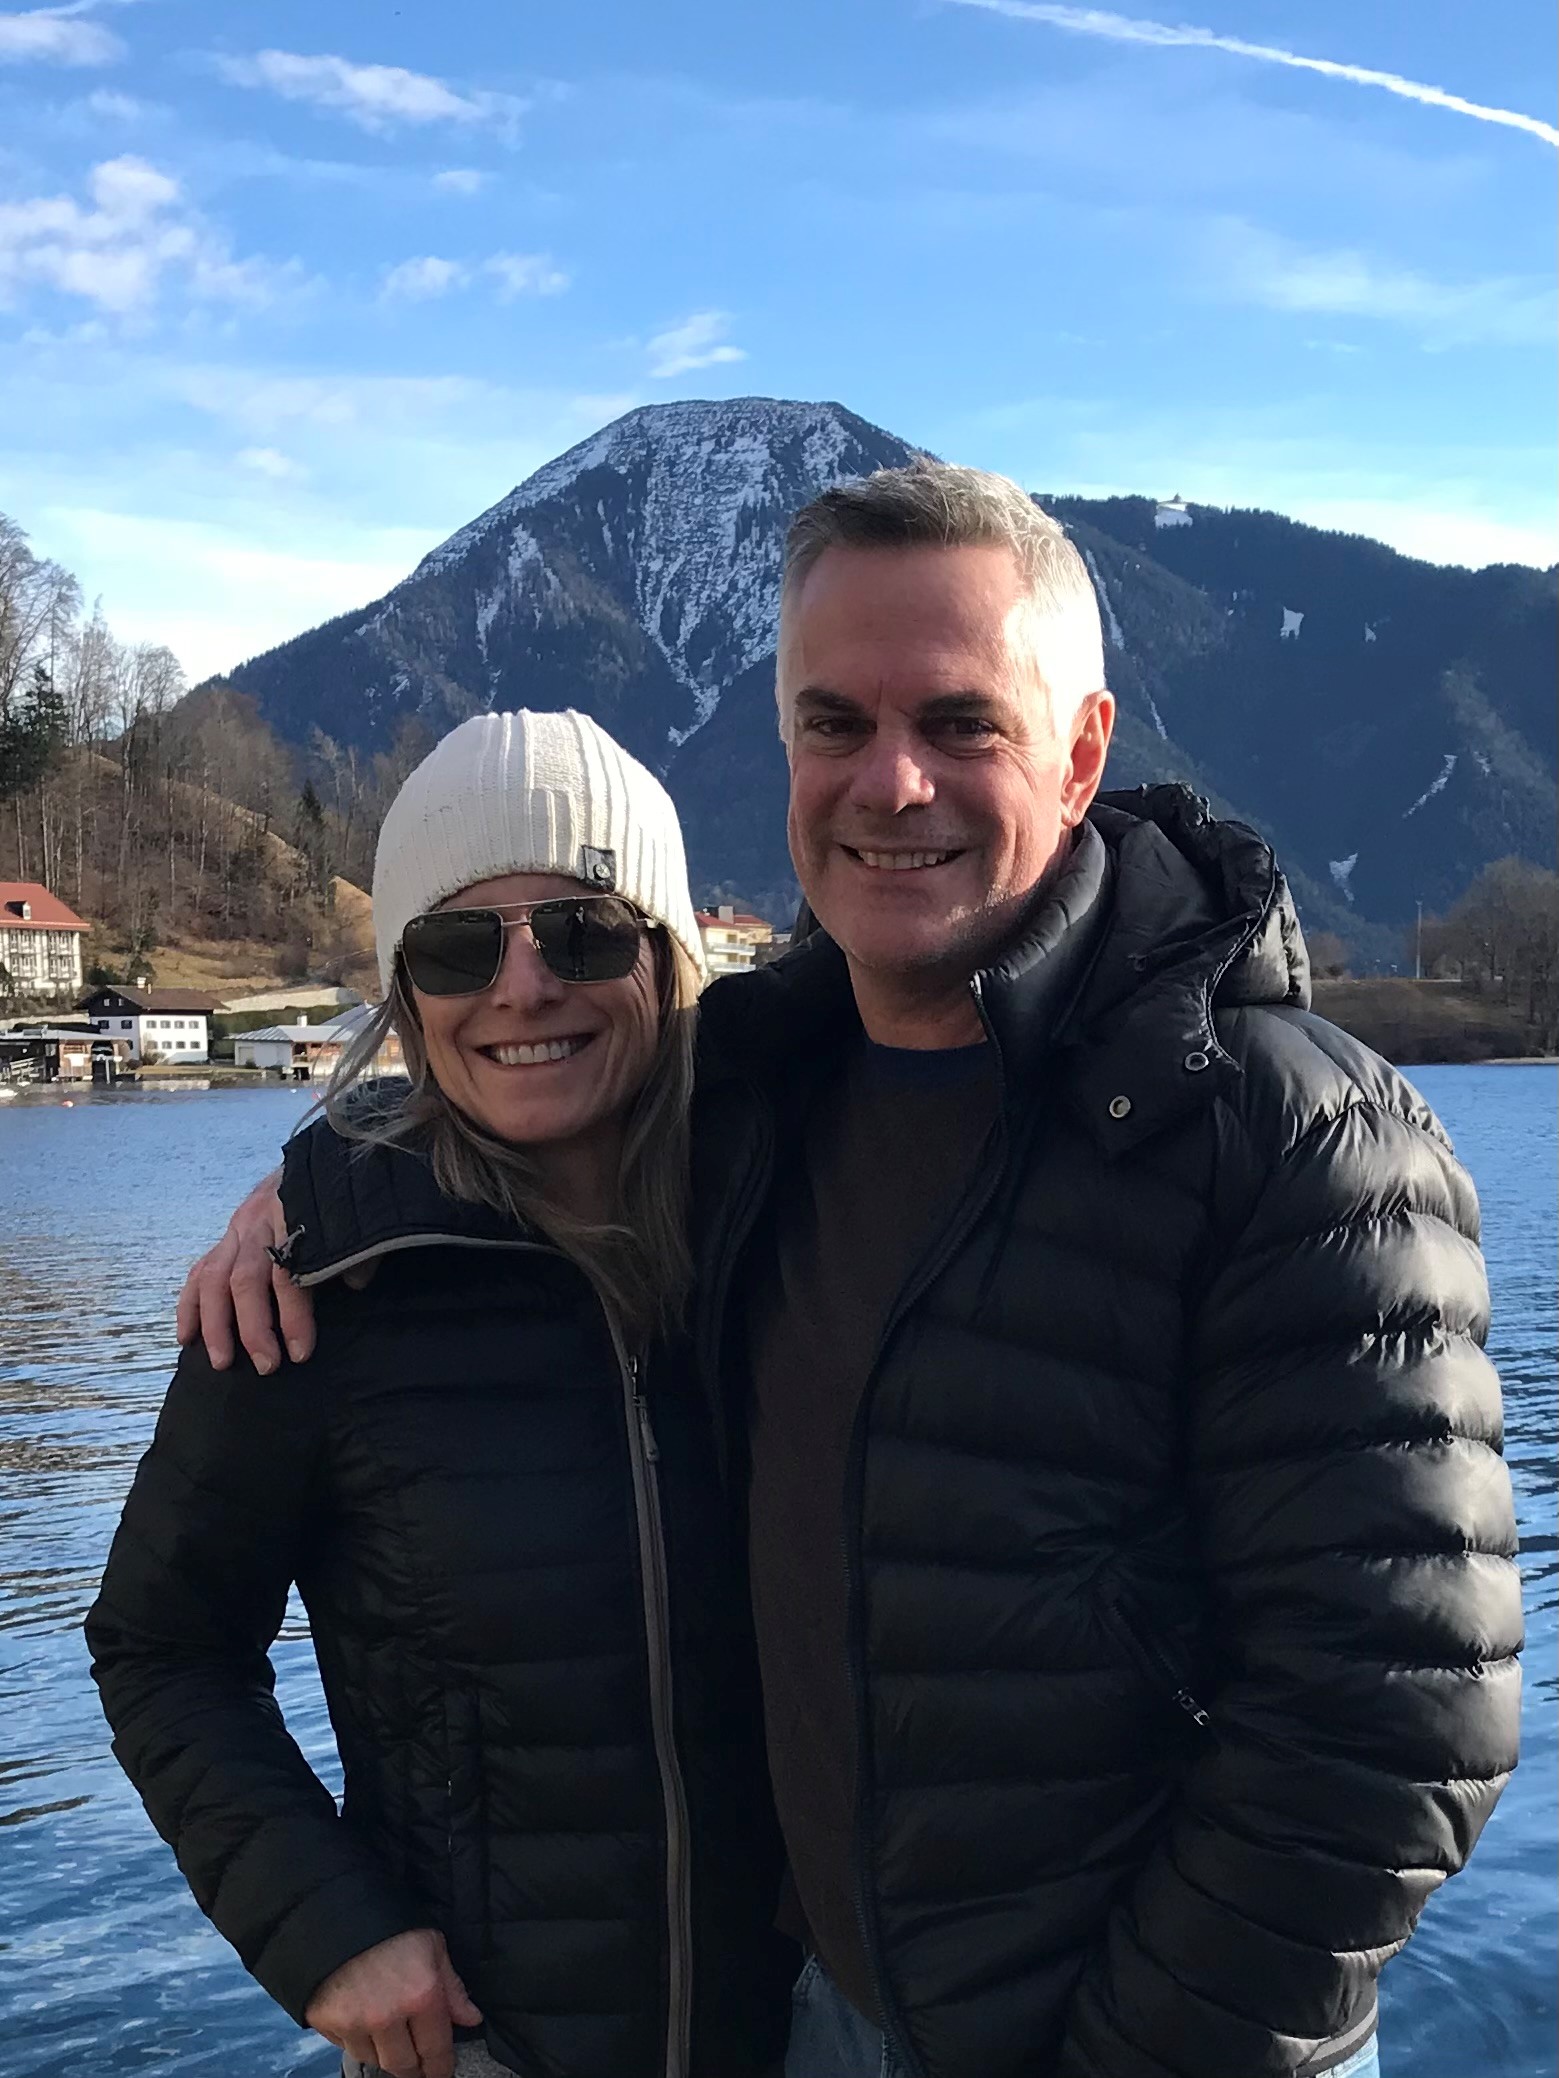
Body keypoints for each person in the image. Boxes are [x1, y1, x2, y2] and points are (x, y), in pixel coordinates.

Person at [180, 466, 1523, 2078]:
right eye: (836, 724)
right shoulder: (763, 1090)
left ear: (1084, 750)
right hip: (824, 2022)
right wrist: (316, 1182)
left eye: (961, 722)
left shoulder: (1292, 1139)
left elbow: (1391, 1725)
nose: (892, 783)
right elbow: (533, 1070)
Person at [86, 710, 794, 2078]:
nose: (523, 987)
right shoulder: (317, 1282)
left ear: (667, 960)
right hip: (488, 2048)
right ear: (408, 995)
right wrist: (327, 1927)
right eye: (461, 948)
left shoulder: (797, 1208)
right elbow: (160, 1647)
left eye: (583, 932)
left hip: (814, 2032)